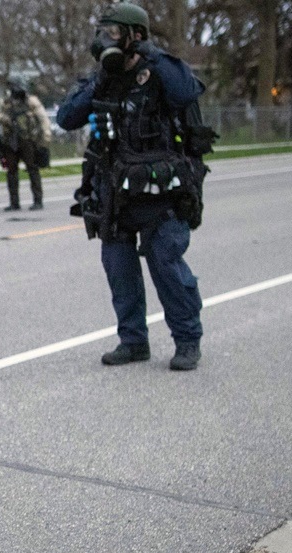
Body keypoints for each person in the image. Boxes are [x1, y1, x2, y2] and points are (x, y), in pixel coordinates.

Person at [57, 1, 209, 370]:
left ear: (134, 35)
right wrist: (99, 77)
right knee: (119, 269)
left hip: (162, 192)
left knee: (166, 266)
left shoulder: (161, 72)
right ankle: (133, 341)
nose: (101, 39)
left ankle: (187, 340)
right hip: (114, 193)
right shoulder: (104, 78)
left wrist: (149, 55)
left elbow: (187, 93)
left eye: (110, 32)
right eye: (100, 32)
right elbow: (66, 118)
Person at [0, 76, 51, 211]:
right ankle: (14, 203)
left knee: (32, 169)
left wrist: (45, 139)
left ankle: (38, 200)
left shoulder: (31, 101)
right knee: (11, 172)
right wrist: (4, 118)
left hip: (28, 140)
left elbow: (43, 119)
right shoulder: (5, 102)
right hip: (10, 141)